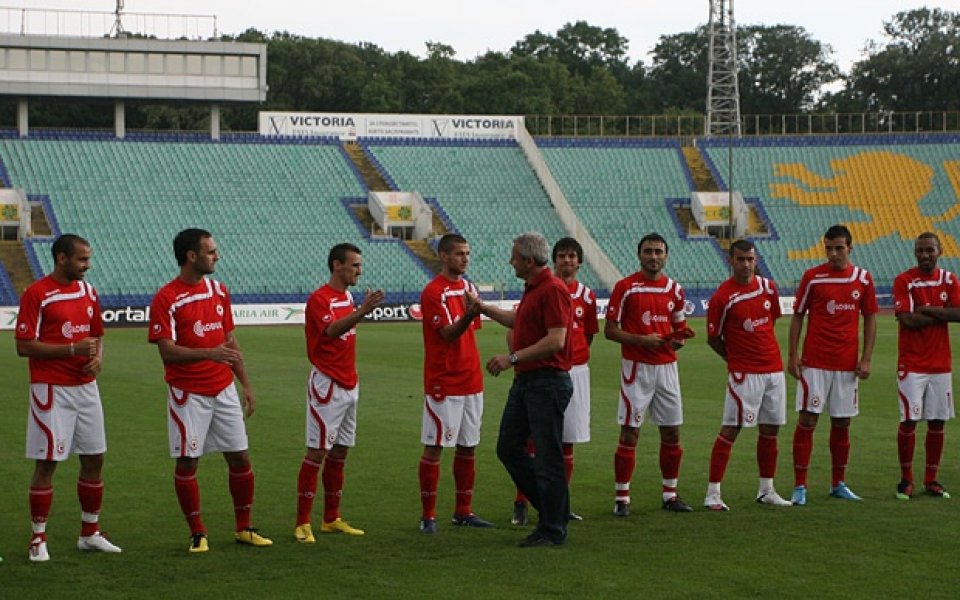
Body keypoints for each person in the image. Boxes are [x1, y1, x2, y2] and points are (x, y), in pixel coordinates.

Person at [148, 228, 271, 553]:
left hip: (223, 389)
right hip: (188, 393)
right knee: (188, 462)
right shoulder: (166, 298)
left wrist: (244, 383)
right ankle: (197, 532)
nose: (217, 256)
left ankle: (244, 527)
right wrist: (209, 354)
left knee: (240, 458)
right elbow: (167, 351)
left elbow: (229, 340)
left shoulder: (218, 290)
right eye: (211, 251)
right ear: (192, 256)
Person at [15, 234, 122, 562]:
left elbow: (96, 335)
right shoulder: (37, 294)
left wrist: (97, 358)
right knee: (47, 462)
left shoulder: (88, 292)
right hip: (51, 389)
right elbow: (24, 345)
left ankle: (89, 533)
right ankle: (37, 538)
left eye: (88, 259)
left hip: (86, 387)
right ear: (62, 259)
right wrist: (70, 349)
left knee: (94, 458)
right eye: (82, 260)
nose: (87, 266)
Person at [481, 232, 574, 547]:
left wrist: (512, 358)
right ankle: (554, 511)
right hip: (528, 381)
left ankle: (552, 526)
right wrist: (482, 307)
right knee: (508, 448)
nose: (511, 262)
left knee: (548, 457)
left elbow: (556, 339)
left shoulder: (552, 290)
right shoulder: (535, 289)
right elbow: (517, 320)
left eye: (515, 257)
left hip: (546, 381)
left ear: (529, 260)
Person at [294, 243, 385, 542]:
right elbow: (331, 331)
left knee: (341, 450)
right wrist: (362, 311)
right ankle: (302, 522)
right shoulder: (320, 299)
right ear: (337, 265)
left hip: (349, 381)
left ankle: (331, 518)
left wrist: (358, 308)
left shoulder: (345, 295)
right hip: (327, 384)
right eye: (355, 265)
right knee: (317, 451)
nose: (360, 270)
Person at [787, 224, 878, 505]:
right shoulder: (813, 277)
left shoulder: (863, 279)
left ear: (850, 248)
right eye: (829, 248)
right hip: (814, 363)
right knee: (807, 420)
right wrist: (793, 355)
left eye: (839, 248)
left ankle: (838, 483)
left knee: (842, 422)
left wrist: (865, 358)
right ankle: (800, 486)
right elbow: (798, 315)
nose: (834, 253)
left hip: (847, 365)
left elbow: (871, 317)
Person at [512, 237, 599, 526]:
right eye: (562, 256)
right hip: (541, 371)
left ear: (579, 261)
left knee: (566, 442)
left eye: (572, 256)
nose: (567, 261)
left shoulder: (584, 296)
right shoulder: (538, 289)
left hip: (566, 370)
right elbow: (520, 328)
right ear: (554, 259)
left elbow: (584, 336)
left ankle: (558, 508)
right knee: (531, 443)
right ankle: (527, 502)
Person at [605, 233, 693, 516]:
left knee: (671, 432)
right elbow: (610, 330)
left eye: (658, 252)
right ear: (639, 255)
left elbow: (680, 327)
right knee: (630, 433)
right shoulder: (625, 287)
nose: (653, 256)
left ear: (666, 255)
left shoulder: (675, 290)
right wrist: (642, 340)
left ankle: (670, 494)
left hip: (668, 368)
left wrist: (678, 340)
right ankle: (622, 498)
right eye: (648, 252)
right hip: (637, 368)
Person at [703, 239, 792, 511]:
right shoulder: (723, 296)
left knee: (771, 429)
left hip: (773, 370)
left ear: (756, 260)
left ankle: (767, 489)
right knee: (731, 429)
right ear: (731, 260)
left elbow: (771, 321)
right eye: (740, 259)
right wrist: (734, 358)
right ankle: (713, 493)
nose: (746, 264)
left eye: (750, 259)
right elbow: (713, 338)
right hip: (745, 374)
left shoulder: (768, 288)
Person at [417, 234, 493, 534]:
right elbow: (448, 334)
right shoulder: (433, 292)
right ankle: (428, 516)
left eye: (467, 253)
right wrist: (469, 313)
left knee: (468, 447)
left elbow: (471, 330)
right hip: (444, 382)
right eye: (459, 254)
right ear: (443, 256)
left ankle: (463, 511)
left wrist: (471, 313)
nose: (465, 258)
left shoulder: (468, 287)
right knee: (435, 447)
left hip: (471, 379)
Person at [891, 232, 960, 500]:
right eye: (920, 250)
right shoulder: (904, 280)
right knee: (909, 421)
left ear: (939, 251)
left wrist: (927, 309)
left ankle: (931, 479)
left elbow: (959, 314)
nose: (924, 255)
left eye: (929, 250)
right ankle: (906, 479)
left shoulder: (949, 280)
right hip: (912, 363)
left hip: (940, 364)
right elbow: (907, 320)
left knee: (937, 422)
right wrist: (942, 312)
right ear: (914, 252)